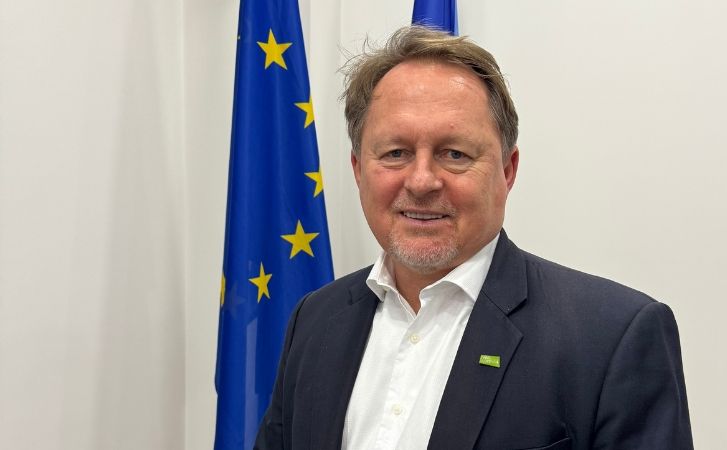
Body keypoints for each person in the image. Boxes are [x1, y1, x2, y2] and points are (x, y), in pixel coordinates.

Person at [254, 25, 692, 450]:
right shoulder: (315, 320)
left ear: (507, 170)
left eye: (455, 154)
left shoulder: (613, 336)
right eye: (395, 153)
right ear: (357, 169)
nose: (422, 180)